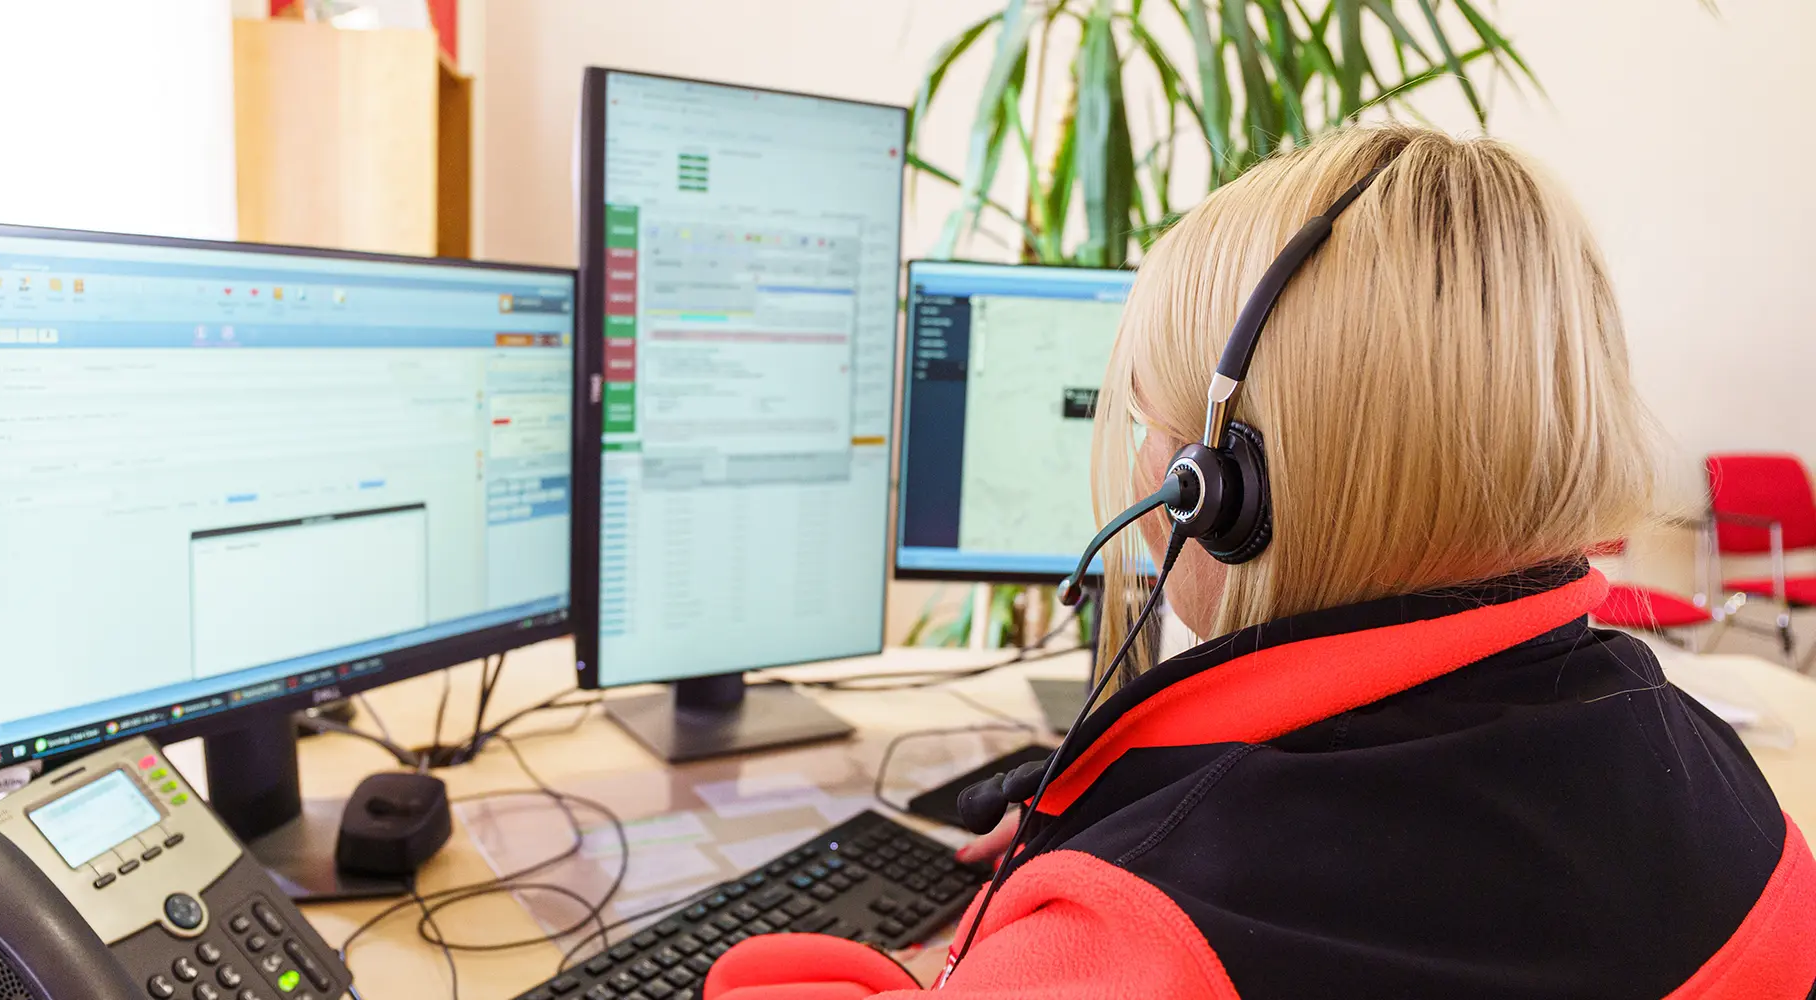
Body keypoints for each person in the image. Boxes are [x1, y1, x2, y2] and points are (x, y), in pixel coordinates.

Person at [703, 125, 1816, 997]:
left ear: (1221, 490)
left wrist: (1054, 930)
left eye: (1145, 418)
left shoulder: (1159, 938)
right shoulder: (1719, 778)